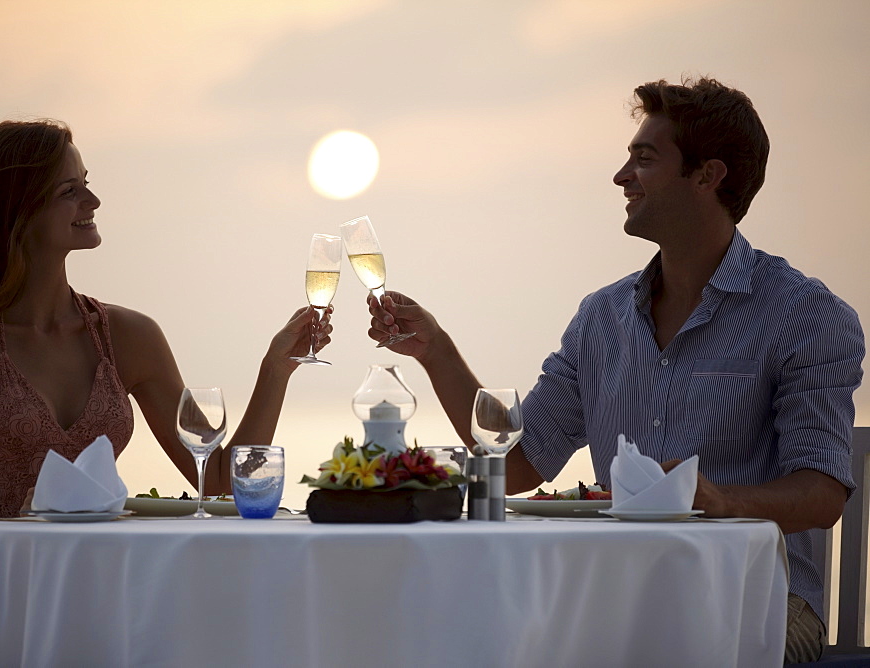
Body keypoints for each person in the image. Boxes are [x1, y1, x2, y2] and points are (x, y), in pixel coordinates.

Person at [367, 77, 864, 663]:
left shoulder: (806, 314)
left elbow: (821, 493)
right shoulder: (600, 318)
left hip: (757, 600)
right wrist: (437, 352)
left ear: (708, 176)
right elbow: (521, 460)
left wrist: (716, 501)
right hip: (609, 593)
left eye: (644, 160)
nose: (621, 176)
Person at [0, 119, 331, 653]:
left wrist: (275, 369)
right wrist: (25, 532)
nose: (94, 199)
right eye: (70, 191)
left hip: (111, 599)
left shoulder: (129, 336)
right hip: (1, 600)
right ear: (15, 210)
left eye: (87, 182)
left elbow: (217, 478)